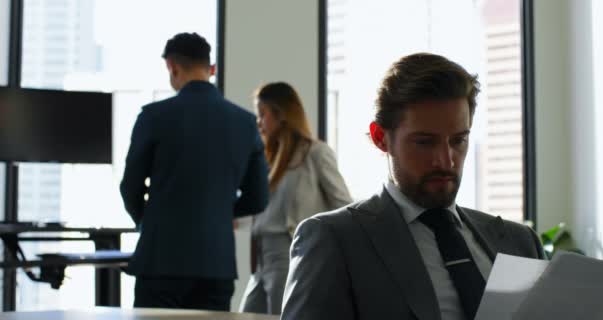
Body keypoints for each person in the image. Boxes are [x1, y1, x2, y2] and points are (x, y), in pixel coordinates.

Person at [281, 53, 545, 320]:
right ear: (380, 138)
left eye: (458, 140)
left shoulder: (520, 243)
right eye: (425, 142)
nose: (445, 160)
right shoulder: (334, 240)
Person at [120, 32, 269, 311]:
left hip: (160, 261)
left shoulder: (153, 117)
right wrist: (219, 212)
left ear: (172, 67)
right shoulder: (245, 123)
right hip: (216, 265)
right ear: (210, 69)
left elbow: (130, 187)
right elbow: (259, 198)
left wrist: (150, 221)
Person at [239, 82, 352, 315]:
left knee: (286, 316)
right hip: (260, 258)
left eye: (262, 114)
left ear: (281, 115)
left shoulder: (315, 153)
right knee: (247, 314)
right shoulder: (267, 159)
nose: (258, 122)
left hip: (288, 253)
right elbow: (263, 211)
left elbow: (343, 206)